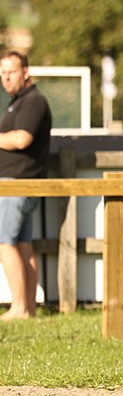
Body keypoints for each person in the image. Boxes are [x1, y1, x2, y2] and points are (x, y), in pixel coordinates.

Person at [0, 51, 52, 321]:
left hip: (17, 184)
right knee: (22, 245)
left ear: (26, 72)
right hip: (20, 184)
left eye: (11, 71)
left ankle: (19, 308)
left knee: (3, 243)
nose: (6, 77)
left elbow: (22, 139)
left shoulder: (33, 101)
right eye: (2, 72)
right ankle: (28, 309)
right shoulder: (19, 102)